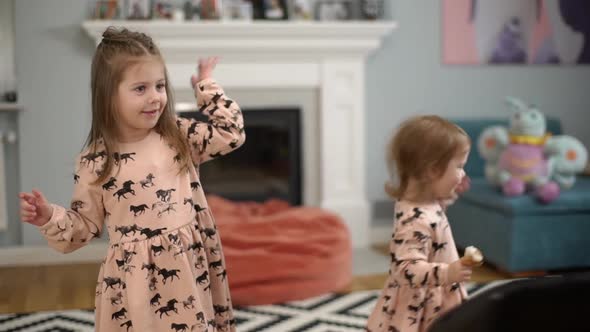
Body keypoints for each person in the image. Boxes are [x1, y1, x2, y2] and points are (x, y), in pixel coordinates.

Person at [19, 27, 245, 331]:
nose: (155, 98)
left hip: (191, 270)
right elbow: (83, 227)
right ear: (109, 95)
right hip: (136, 284)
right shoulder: (96, 161)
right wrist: (49, 216)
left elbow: (231, 134)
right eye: (140, 89)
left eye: (160, 85)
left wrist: (207, 87)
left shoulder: (177, 134)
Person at [366, 115, 472, 332]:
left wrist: (451, 190)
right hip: (421, 308)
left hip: (436, 297)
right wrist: (447, 274)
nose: (463, 174)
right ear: (432, 171)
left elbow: (436, 214)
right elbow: (405, 268)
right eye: (459, 166)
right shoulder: (414, 222)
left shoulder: (425, 202)